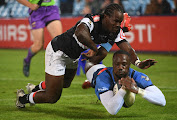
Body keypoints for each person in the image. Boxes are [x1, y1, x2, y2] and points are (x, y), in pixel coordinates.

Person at [16, 3, 156, 108]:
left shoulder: (114, 31)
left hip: (73, 56)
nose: (118, 25)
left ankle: (34, 88)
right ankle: (22, 98)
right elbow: (80, 34)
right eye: (115, 21)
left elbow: (125, 48)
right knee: (52, 96)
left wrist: (138, 63)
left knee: (65, 83)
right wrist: (94, 48)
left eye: (120, 22)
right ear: (105, 17)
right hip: (58, 51)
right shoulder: (92, 20)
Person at [84, 50, 166, 115]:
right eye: (117, 64)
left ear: (129, 65)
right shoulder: (102, 78)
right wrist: (124, 89)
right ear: (112, 64)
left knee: (114, 90)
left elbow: (162, 101)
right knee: (97, 57)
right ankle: (90, 82)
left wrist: (137, 90)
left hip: (109, 79)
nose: (120, 67)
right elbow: (112, 110)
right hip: (92, 69)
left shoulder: (136, 76)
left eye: (124, 64)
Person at [16, 0, 63, 77]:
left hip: (51, 9)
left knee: (60, 41)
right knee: (38, 46)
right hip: (36, 12)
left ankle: (58, 69)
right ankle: (27, 60)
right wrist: (31, 5)